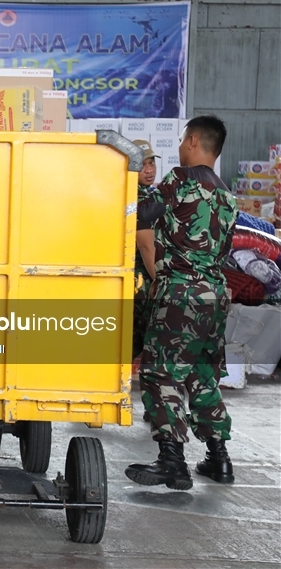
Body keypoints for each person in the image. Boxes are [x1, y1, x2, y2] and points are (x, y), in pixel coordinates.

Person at [126, 116, 237, 490]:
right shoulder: (227, 195)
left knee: (160, 373)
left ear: (192, 141)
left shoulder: (179, 180)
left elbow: (141, 216)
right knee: (201, 373)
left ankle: (171, 460)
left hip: (181, 293)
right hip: (216, 295)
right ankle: (219, 458)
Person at [131, 140, 159, 362]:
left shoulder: (141, 193)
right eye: (143, 165)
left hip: (136, 275)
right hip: (140, 278)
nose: (149, 170)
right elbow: (146, 246)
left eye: (151, 163)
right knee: (136, 336)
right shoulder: (139, 199)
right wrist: (158, 279)